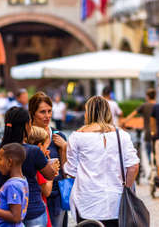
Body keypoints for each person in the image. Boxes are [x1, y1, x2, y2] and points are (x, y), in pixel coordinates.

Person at [64, 96, 140, 226]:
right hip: (115, 202)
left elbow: (71, 171)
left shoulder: (77, 137)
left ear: (88, 112)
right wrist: (126, 187)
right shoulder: (121, 135)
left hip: (86, 201)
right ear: (108, 112)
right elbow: (133, 166)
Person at [0, 107, 59, 227]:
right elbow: (50, 175)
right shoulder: (33, 151)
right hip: (31, 209)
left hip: (2, 210)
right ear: (27, 125)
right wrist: (52, 166)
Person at [29, 92, 68, 227]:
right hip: (35, 197)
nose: (47, 116)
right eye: (42, 112)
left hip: (57, 195)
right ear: (33, 113)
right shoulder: (28, 137)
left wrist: (63, 149)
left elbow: (66, 171)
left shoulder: (58, 136)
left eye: (49, 111)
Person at [27, 126, 53, 227]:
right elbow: (47, 191)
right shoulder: (38, 168)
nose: (48, 151)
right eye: (46, 147)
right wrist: (51, 172)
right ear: (39, 147)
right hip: (37, 210)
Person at [123, 88, 156, 161]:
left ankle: (149, 165)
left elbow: (132, 114)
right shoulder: (158, 106)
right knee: (156, 152)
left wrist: (123, 122)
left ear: (147, 96)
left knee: (146, 152)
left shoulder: (144, 105)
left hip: (147, 132)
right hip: (157, 133)